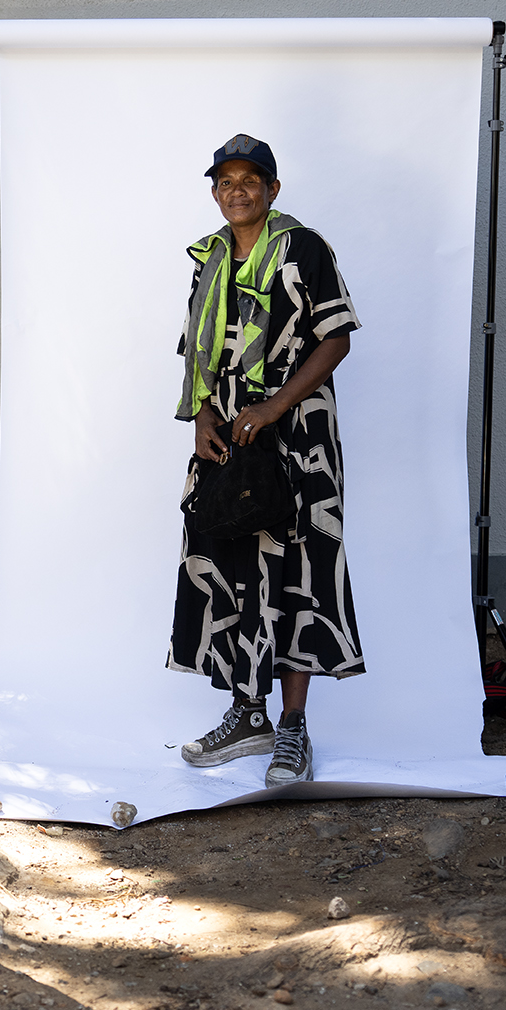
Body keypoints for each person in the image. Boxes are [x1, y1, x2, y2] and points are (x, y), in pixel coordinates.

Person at [167, 134, 364, 784]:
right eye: (225, 181)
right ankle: (246, 715)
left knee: (297, 574)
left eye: (251, 178)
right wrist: (202, 416)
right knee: (231, 565)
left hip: (295, 440)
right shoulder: (210, 259)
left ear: (273, 189)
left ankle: (293, 729)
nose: (238, 189)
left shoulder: (303, 247)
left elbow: (334, 339)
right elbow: (197, 351)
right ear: (215, 191)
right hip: (227, 436)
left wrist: (275, 406)